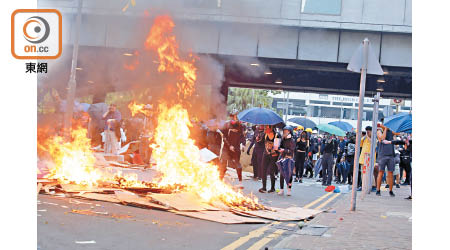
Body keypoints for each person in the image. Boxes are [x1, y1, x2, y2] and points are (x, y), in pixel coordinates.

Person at [219, 109, 246, 189]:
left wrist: (243, 144)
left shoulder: (241, 126)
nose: (234, 117)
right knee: (223, 164)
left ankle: (240, 182)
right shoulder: (226, 125)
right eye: (233, 116)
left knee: (238, 164)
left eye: (236, 116)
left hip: (236, 148)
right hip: (227, 148)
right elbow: (224, 137)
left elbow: (243, 136)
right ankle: (220, 181)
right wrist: (229, 145)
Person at [376, 122, 397, 197]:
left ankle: (391, 190)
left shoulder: (391, 131)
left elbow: (397, 133)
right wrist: (384, 129)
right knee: (381, 172)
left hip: (391, 155)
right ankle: (378, 190)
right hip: (382, 155)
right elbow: (382, 138)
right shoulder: (379, 131)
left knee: (390, 173)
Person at [259, 125, 281, 193]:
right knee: (263, 170)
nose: (265, 128)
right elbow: (261, 143)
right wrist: (258, 139)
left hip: (274, 155)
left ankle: (272, 188)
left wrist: (271, 151)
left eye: (267, 127)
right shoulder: (265, 134)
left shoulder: (277, 135)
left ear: (271, 128)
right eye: (265, 127)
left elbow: (277, 147)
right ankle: (264, 187)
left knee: (272, 171)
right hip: (265, 154)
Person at [277, 126, 296, 196]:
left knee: (289, 175)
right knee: (282, 174)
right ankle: (281, 189)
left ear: (290, 132)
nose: (284, 132)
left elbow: (291, 150)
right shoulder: (283, 139)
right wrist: (278, 147)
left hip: (289, 159)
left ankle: (289, 189)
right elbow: (280, 147)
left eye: (286, 131)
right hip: (282, 158)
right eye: (284, 131)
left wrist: (284, 150)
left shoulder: (292, 140)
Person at [358, 126, 378, 191]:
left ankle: (373, 186)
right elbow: (359, 144)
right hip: (363, 158)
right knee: (362, 173)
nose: (367, 133)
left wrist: (368, 137)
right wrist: (363, 136)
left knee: (370, 173)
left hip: (370, 159)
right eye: (366, 131)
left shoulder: (375, 138)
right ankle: (363, 185)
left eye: (369, 132)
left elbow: (374, 144)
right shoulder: (364, 138)